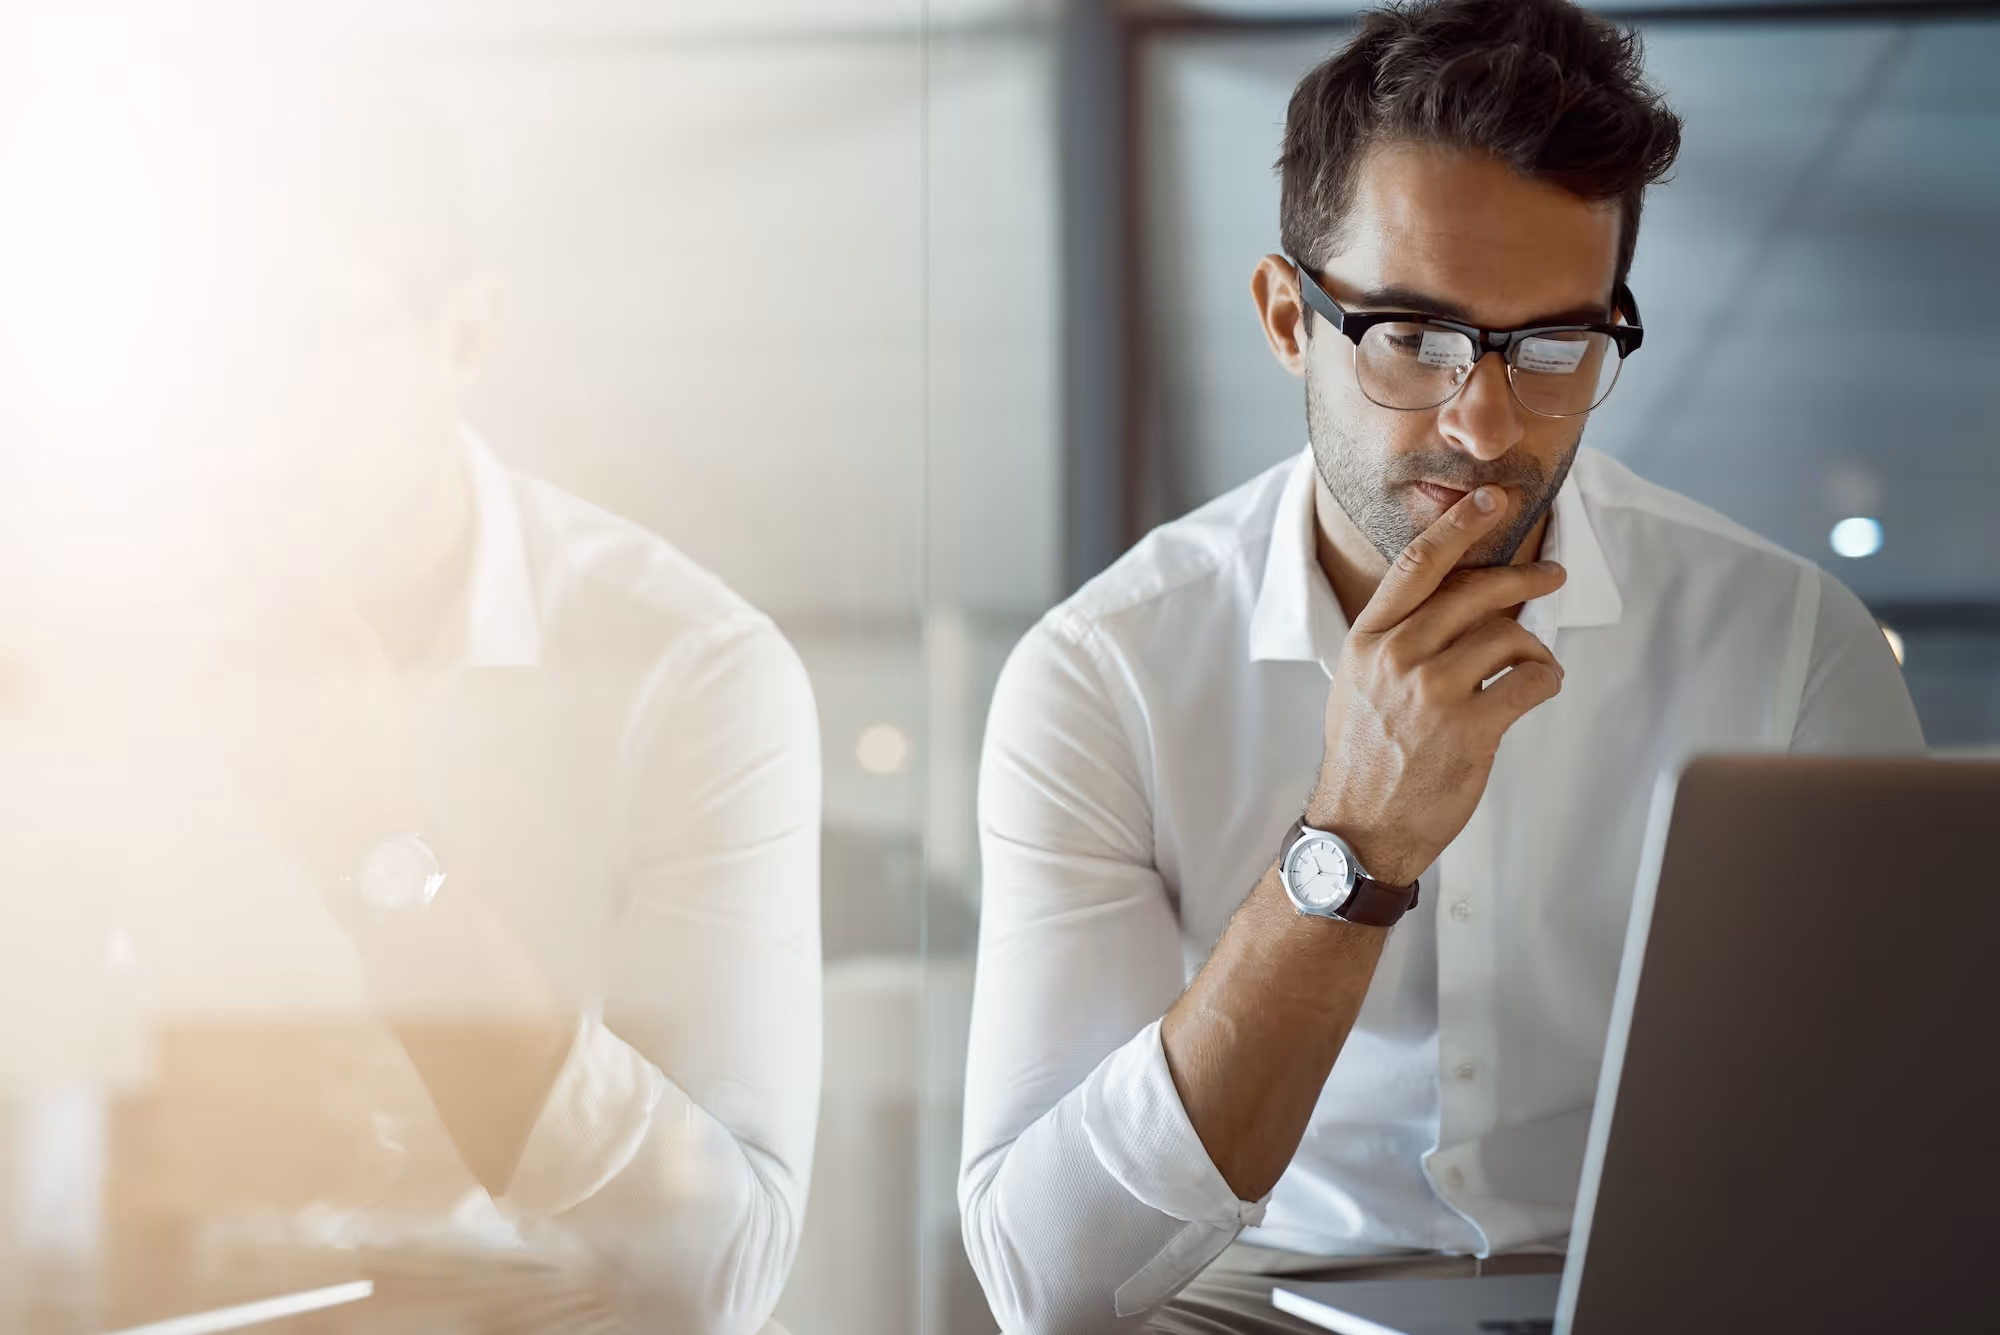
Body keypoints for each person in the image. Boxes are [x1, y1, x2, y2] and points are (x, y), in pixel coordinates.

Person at [957, 2, 1921, 1331]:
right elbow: (1046, 1276)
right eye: (1413, 335)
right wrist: (1349, 849)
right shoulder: (1102, 673)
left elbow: (1903, 1160)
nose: (1485, 420)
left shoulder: (1787, 644)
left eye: (1552, 346)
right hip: (1249, 1299)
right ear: (1289, 318)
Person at [0, 35, 818, 1335]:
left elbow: (723, 1271)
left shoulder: (690, 671)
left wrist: (383, 859)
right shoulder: (78, 652)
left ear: (465, 329)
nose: (229, 428)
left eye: (292, 350)